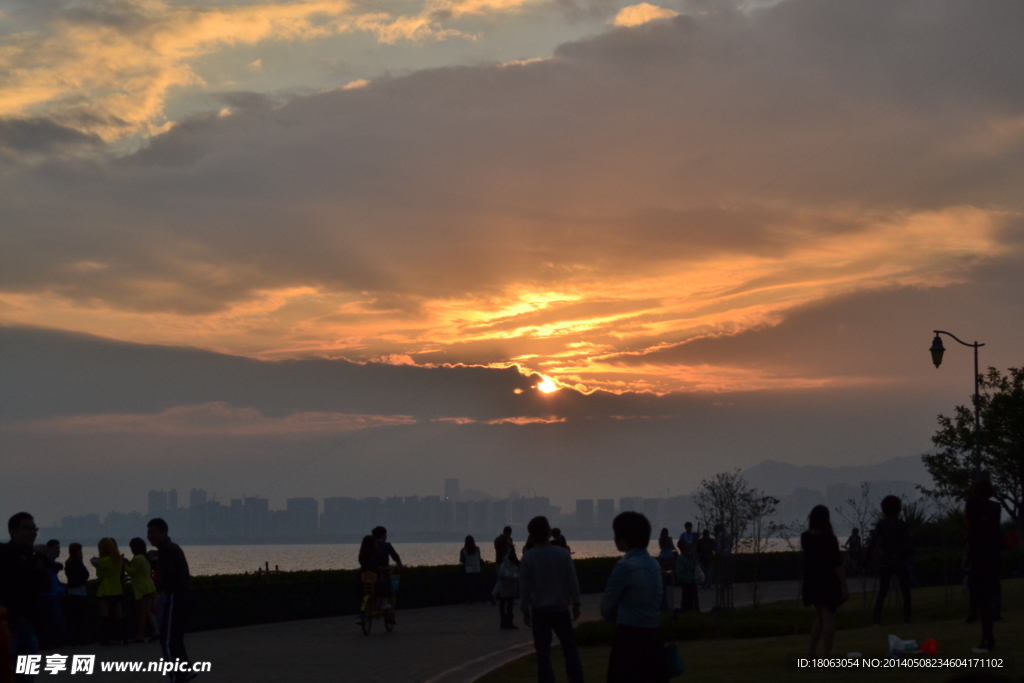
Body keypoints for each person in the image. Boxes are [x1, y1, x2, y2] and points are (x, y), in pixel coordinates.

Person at [601, 511, 668, 683]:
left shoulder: (625, 566)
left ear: (624, 538)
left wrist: (617, 617)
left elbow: (606, 606)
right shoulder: (654, 565)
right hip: (654, 636)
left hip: (629, 637)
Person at [519, 516, 583, 683]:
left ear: (531, 535)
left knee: (543, 654)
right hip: (561, 610)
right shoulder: (562, 554)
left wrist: (525, 610)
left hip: (540, 612)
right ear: (549, 532)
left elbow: (525, 588)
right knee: (570, 651)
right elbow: (572, 581)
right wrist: (576, 604)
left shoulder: (529, 558)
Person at [0, 512, 50, 682]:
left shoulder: (34, 558)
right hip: (7, 624)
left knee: (27, 675)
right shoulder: (5, 553)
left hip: (29, 623)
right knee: (6, 671)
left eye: (34, 529)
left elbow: (45, 586)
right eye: (27, 529)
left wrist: (41, 566)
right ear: (12, 531)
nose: (33, 533)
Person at [147, 518, 194, 683]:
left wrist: (158, 594)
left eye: (153, 532)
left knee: (166, 639)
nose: (150, 536)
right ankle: (185, 670)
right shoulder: (173, 548)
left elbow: (167, 576)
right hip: (185, 596)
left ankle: (176, 676)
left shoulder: (166, 550)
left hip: (177, 596)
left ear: (164, 532)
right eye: (149, 533)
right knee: (175, 637)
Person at [801, 505, 848, 657]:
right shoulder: (830, 539)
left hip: (812, 581)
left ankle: (811, 653)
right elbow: (837, 565)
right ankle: (827, 654)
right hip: (827, 581)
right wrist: (844, 587)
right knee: (828, 618)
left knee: (821, 617)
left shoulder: (805, 537)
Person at [965, 478, 1002, 653]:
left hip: (979, 556)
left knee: (981, 597)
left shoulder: (972, 505)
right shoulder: (996, 508)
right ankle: (989, 634)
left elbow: (971, 530)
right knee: (991, 593)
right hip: (993, 557)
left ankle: (987, 638)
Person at [868, 495, 912, 625]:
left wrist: (869, 558)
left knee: (883, 591)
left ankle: (877, 620)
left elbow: (874, 543)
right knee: (905, 591)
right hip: (901, 562)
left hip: (885, 562)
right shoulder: (902, 525)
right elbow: (909, 543)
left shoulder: (882, 525)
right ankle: (907, 619)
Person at [90, 537, 127, 646]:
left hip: (105, 590)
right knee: (119, 616)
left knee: (105, 616)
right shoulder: (118, 560)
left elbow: (100, 576)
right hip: (117, 589)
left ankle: (106, 639)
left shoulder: (103, 561)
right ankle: (123, 638)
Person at [127, 538, 159, 643]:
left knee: (145, 612)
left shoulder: (137, 559)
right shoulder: (144, 558)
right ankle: (147, 633)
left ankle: (154, 631)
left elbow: (132, 572)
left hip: (142, 589)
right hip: (149, 587)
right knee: (147, 612)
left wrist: (124, 564)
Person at [38, 539, 68, 648]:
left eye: (59, 548)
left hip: (52, 594)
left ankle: (51, 642)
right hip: (50, 595)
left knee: (53, 619)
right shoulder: (48, 561)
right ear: (49, 548)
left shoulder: (50, 561)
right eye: (56, 548)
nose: (59, 550)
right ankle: (52, 642)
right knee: (53, 619)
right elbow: (50, 579)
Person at [371, 526, 402, 627]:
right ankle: (390, 617)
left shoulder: (370, 546)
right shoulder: (387, 545)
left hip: (370, 574)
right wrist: (400, 566)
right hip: (383, 573)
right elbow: (396, 557)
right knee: (392, 595)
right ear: (384, 535)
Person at [63, 543, 90, 646]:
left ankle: (76, 639)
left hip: (74, 593)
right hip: (79, 594)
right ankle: (80, 639)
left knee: (74, 619)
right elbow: (84, 576)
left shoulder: (69, 563)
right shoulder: (76, 564)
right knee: (80, 618)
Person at [674, 539, 700, 613]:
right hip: (686, 582)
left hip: (692, 581)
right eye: (686, 542)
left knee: (693, 599)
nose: (688, 543)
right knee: (687, 599)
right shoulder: (681, 558)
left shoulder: (689, 555)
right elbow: (680, 571)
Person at [492, 526, 515, 605]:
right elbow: (511, 552)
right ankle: (507, 597)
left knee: (500, 579)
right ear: (509, 532)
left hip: (498, 562)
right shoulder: (508, 541)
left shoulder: (497, 540)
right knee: (509, 581)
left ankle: (496, 595)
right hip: (507, 563)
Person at [498, 549, 520, 629]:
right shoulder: (513, 565)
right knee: (509, 604)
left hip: (505, 587)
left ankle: (504, 621)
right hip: (511, 587)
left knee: (503, 603)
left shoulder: (504, 564)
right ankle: (509, 622)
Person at [656, 529, 677, 612]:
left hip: (666, 555)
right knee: (667, 571)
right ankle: (670, 583)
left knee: (667, 571)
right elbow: (665, 547)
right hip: (666, 555)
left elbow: (670, 547)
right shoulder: (663, 539)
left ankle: (669, 583)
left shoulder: (665, 539)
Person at [460, 536, 484, 603]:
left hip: (468, 570)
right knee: (479, 586)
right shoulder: (477, 549)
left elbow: (462, 560)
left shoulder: (463, 550)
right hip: (477, 569)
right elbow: (479, 558)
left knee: (470, 586)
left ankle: (471, 599)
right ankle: (482, 599)